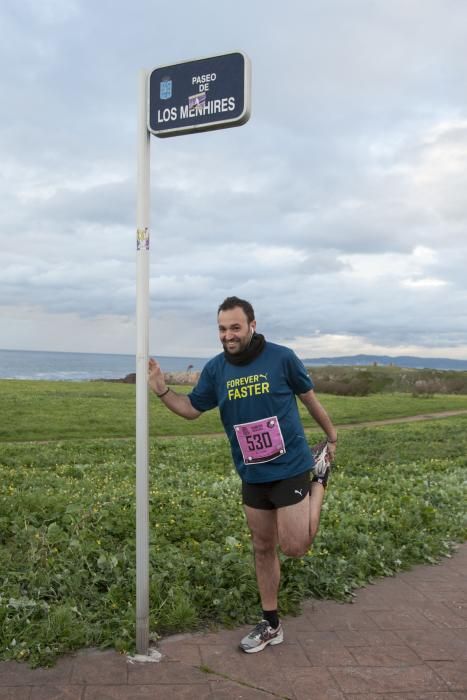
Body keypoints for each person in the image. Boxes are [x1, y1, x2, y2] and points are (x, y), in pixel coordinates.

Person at [148, 296, 337, 653]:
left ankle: (319, 480)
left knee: (295, 547)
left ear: (252, 325)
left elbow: (310, 399)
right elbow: (191, 409)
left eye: (235, 327)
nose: (228, 335)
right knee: (263, 546)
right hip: (252, 472)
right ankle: (271, 623)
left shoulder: (281, 358)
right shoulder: (217, 369)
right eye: (222, 329)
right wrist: (161, 389)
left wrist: (331, 436)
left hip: (292, 466)